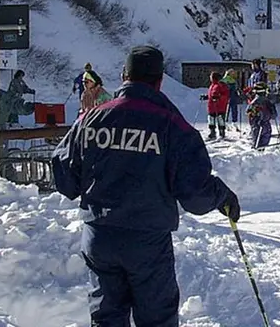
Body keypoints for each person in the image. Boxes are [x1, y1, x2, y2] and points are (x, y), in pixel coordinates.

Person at [51, 45, 240, 327]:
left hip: (99, 236)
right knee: (156, 318)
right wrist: (223, 197)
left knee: (106, 318)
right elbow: (194, 193)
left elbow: (64, 176)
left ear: (123, 75)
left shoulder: (90, 119)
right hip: (147, 240)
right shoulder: (172, 124)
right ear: (160, 80)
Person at [246, 82, 275, 149]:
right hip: (259, 124)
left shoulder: (267, 101)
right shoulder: (256, 102)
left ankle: (259, 153)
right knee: (259, 142)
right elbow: (249, 112)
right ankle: (258, 153)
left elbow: (274, 115)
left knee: (259, 142)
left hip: (262, 124)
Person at [203, 72, 230, 140]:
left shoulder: (221, 85)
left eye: (211, 77)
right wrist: (207, 97)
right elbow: (212, 94)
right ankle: (212, 133)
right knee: (211, 119)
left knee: (220, 119)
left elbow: (225, 95)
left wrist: (218, 97)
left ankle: (222, 133)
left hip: (219, 106)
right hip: (212, 106)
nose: (210, 78)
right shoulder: (212, 85)